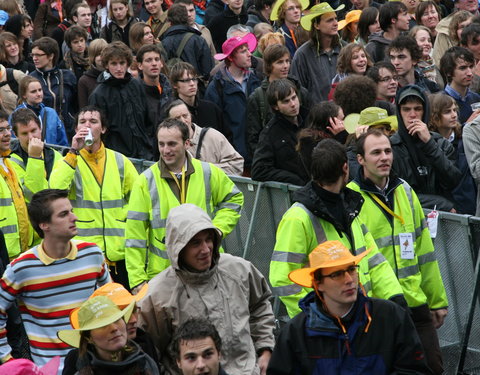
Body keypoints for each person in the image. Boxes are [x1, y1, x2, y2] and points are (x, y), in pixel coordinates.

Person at [269, 138, 405, 318]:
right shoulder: (299, 217)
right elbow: (282, 279)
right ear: (345, 168)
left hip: (361, 316)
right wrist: (319, 314)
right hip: (326, 328)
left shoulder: (350, 206)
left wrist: (394, 297)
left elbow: (373, 259)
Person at [348, 130, 448, 374]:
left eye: (388, 151)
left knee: (433, 367)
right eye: (376, 153)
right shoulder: (350, 197)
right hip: (377, 309)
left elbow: (425, 251)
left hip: (414, 302)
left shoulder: (404, 190)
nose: (384, 158)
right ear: (360, 159)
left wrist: (437, 301)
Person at [138, 203, 274, 375]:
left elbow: (260, 306)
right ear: (178, 248)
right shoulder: (158, 295)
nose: (205, 249)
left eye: (208, 239)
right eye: (195, 243)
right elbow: (148, 352)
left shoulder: (239, 270)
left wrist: (265, 350)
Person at [267, 241, 431, 374]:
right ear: (318, 284)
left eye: (351, 269)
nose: (349, 279)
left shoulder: (389, 316)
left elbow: (414, 369)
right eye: (336, 274)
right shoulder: (297, 332)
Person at [125, 118, 243, 290]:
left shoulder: (208, 172)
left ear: (187, 143)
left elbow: (234, 199)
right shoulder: (145, 181)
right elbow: (135, 235)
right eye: (161, 144)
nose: (165, 150)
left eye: (172, 144)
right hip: (165, 277)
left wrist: (217, 230)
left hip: (207, 268)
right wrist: (137, 281)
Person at [0, 189, 111, 370]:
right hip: (49, 369)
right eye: (64, 214)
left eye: (71, 210)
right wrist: (8, 359)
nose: (74, 217)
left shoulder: (93, 253)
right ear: (44, 225)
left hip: (95, 365)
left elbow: (111, 302)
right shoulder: (21, 268)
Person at [49, 105, 138, 289]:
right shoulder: (68, 160)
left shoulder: (120, 161)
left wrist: (122, 218)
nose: (87, 125)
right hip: (84, 254)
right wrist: (73, 152)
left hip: (118, 254)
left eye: (93, 121)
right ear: (76, 130)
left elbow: (138, 200)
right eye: (82, 122)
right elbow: (55, 190)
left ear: (103, 129)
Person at [62, 282, 161, 375]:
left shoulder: (145, 359)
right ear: (88, 338)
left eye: (117, 319)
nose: (114, 328)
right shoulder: (76, 363)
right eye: (102, 324)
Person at [390, 84, 462, 211]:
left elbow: (453, 180)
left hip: (443, 219)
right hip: (408, 216)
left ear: (425, 111)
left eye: (417, 109)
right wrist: (440, 204)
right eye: (406, 109)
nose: (412, 115)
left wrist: (429, 144)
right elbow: (395, 193)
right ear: (399, 113)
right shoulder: (391, 147)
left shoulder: (441, 143)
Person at [89, 41, 153, 160]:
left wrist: (149, 144)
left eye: (122, 63)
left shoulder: (136, 85)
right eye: (114, 63)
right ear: (107, 65)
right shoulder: (99, 94)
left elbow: (147, 119)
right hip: (116, 156)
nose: (119, 68)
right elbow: (97, 131)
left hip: (144, 153)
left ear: (127, 63)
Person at [204, 33, 261, 168]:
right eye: (243, 51)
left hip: (258, 157)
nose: (249, 54)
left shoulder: (257, 79)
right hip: (233, 158)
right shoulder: (217, 87)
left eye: (248, 49)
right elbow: (213, 127)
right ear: (230, 57)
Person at [247, 44, 310, 158]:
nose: (285, 66)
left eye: (287, 61)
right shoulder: (258, 96)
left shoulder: (301, 91)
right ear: (269, 65)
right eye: (280, 62)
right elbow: (253, 137)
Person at [252, 78, 308, 185]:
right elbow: (259, 171)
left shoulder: (310, 118)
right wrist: (294, 180)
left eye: (294, 97)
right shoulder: (270, 133)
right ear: (275, 106)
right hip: (295, 192)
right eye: (286, 101)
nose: (293, 104)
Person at [166, 100, 244, 175]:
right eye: (177, 118)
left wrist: (207, 171)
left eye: (185, 116)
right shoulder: (167, 145)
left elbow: (237, 164)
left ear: (190, 115)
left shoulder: (212, 136)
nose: (183, 120)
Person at [429, 92, 476, 215]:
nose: (454, 115)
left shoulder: (464, 138)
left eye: (455, 110)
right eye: (447, 112)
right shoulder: (429, 144)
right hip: (446, 209)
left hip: (470, 205)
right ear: (434, 116)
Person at [290, 2, 345, 104]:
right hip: (317, 116)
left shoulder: (345, 49)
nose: (335, 23)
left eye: (336, 19)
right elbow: (298, 90)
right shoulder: (302, 55)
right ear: (316, 25)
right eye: (329, 20)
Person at [9, 108, 62, 203]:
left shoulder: (55, 155)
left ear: (40, 128)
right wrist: (35, 157)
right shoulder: (11, 160)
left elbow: (62, 189)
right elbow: (32, 194)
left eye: (33, 130)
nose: (31, 137)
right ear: (16, 135)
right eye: (24, 133)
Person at [0, 110, 34, 259]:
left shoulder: (8, 162)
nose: (7, 134)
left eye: (7, 128)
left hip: (19, 252)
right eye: (0, 130)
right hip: (4, 254)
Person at [29, 37, 77, 139]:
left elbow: (75, 105)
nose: (34, 58)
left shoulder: (68, 76)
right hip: (42, 132)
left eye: (38, 55)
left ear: (51, 56)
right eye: (32, 55)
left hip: (67, 131)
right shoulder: (30, 79)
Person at [169, 62, 226, 136]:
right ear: (175, 85)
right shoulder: (171, 113)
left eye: (194, 79)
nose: (192, 83)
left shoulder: (211, 108)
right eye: (186, 80)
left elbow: (226, 137)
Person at [161, 4, 214, 79]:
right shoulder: (198, 40)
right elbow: (208, 70)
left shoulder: (163, 42)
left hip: (173, 87)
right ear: (187, 18)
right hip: (195, 85)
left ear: (169, 21)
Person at [13, 76, 68, 147]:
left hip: (51, 155)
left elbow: (62, 142)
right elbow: (13, 142)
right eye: (33, 92)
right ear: (24, 95)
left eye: (40, 90)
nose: (38, 94)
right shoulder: (16, 116)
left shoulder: (51, 113)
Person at [137, 44, 173, 130]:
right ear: (140, 65)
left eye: (157, 59)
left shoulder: (171, 91)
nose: (154, 64)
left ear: (161, 64)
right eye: (148, 60)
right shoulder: (135, 93)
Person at [441, 46, 480, 124]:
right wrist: (468, 125)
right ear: (449, 71)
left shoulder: (476, 98)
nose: (469, 73)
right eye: (463, 68)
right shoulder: (441, 101)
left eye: (471, 67)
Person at [77, 38, 108, 109]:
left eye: (104, 54)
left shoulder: (113, 75)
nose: (102, 57)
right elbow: (83, 107)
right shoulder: (84, 80)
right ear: (93, 57)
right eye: (99, 54)